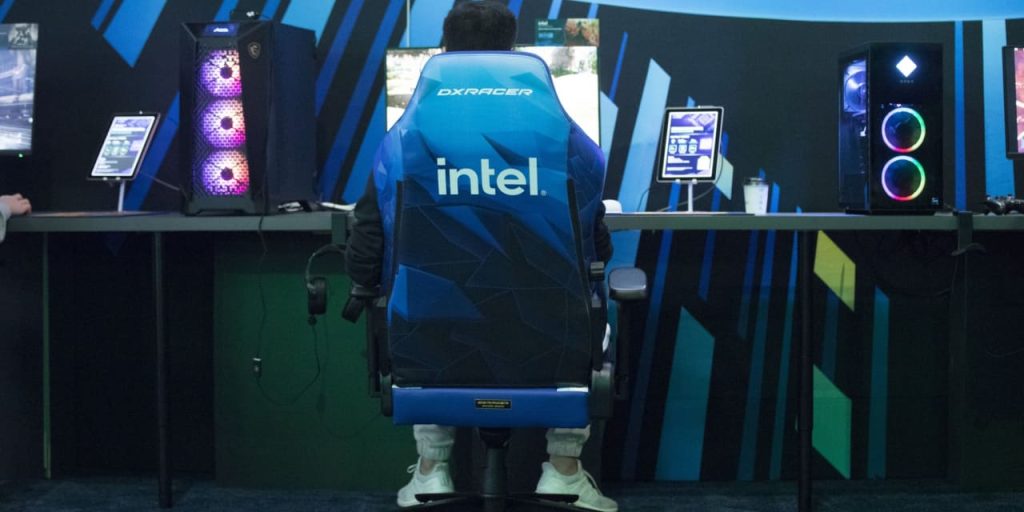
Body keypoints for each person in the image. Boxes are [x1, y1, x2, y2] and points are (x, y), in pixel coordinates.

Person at [344, 2, 615, 510]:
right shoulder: (563, 139)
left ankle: (432, 470)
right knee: (591, 312)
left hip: (436, 336)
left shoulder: (404, 142)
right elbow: (594, 241)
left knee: (423, 298)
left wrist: (362, 284)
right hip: (544, 334)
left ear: (444, 47)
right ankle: (563, 471)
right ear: (513, 47)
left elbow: (367, 234)